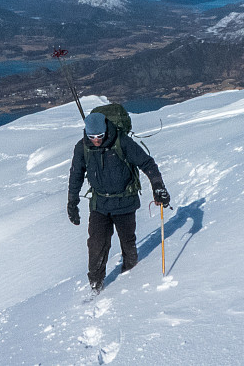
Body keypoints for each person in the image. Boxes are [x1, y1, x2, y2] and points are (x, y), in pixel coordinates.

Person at [67, 111, 170, 294]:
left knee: (128, 242)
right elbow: (76, 175)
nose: (96, 140)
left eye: (99, 136)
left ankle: (130, 277)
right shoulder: (82, 147)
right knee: (96, 244)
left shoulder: (122, 142)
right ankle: (95, 285)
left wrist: (158, 186)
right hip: (100, 204)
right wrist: (72, 202)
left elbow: (147, 163)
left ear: (105, 130)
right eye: (92, 137)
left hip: (125, 203)